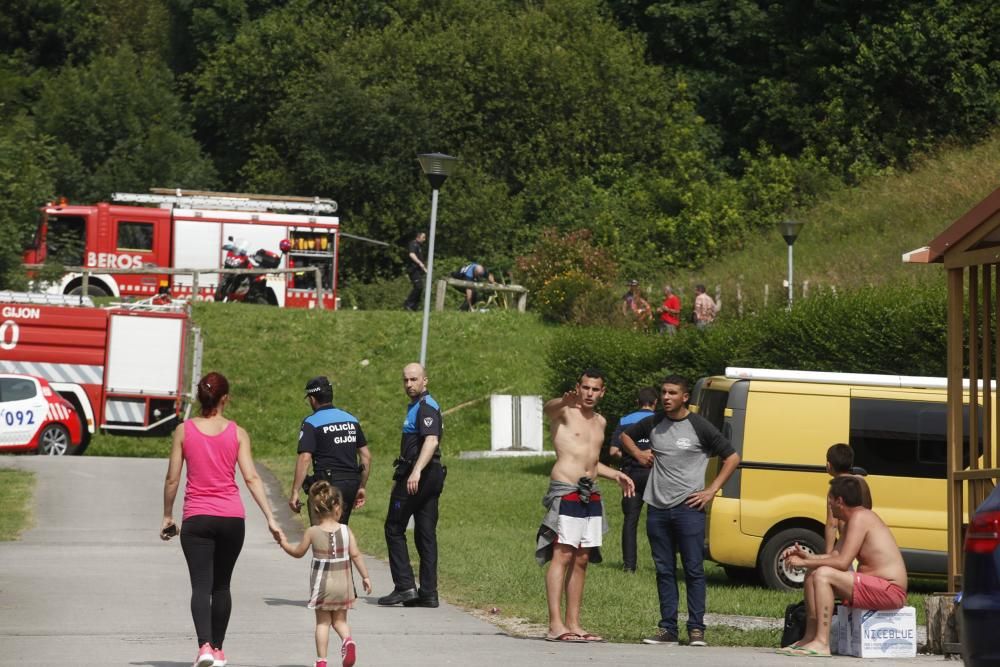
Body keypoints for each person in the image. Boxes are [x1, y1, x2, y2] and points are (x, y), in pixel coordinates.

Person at [161, 372, 283, 667]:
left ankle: (203, 646)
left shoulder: (184, 431)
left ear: (200, 398)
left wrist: (167, 515)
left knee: (201, 586)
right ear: (225, 398)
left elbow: (173, 479)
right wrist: (270, 517)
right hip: (231, 519)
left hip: (197, 518)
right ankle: (217, 650)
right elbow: (252, 478)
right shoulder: (238, 433)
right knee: (222, 586)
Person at [620, 375, 740, 647]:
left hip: (688, 508)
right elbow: (625, 437)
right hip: (657, 509)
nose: (666, 397)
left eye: (672, 393)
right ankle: (668, 629)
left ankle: (696, 629)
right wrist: (639, 455)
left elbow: (732, 457)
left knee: (694, 569)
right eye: (663, 392)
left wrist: (711, 491)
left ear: (685, 397)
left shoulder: (699, 426)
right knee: (664, 570)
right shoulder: (654, 422)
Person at [536, 368, 635, 643]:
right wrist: (562, 401)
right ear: (578, 387)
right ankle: (555, 624)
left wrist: (615, 473)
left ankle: (574, 623)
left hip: (591, 493)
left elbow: (591, 462)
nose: (589, 393)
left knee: (581, 560)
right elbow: (547, 408)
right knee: (562, 555)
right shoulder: (565, 412)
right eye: (586, 388)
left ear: (602, 392)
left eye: (595, 389)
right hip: (567, 491)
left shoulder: (601, 422)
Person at [780, 476, 907, 658]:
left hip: (890, 590)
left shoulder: (861, 518)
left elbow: (842, 563)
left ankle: (823, 643)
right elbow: (834, 556)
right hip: (873, 585)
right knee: (813, 572)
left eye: (830, 500)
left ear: (839, 501)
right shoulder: (853, 521)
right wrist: (806, 557)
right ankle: (810, 637)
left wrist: (805, 562)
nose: (829, 505)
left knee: (823, 574)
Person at [279, 480, 372, 667]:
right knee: (340, 621)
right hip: (343, 584)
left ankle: (321, 661)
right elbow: (355, 554)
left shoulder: (312, 532)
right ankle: (348, 640)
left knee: (323, 624)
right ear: (338, 508)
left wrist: (283, 543)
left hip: (323, 585)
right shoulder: (346, 530)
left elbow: (298, 553)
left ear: (315, 510)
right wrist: (365, 576)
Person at [378, 363, 446, 608]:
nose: (409, 385)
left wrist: (415, 471)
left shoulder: (426, 406)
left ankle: (405, 587)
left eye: (414, 379)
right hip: (430, 474)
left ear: (425, 380)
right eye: (405, 380)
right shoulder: (420, 406)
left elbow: (431, 440)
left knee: (394, 527)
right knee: (425, 533)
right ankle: (428, 592)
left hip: (419, 475)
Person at [289, 376, 371, 526]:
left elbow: (305, 458)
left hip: (328, 486)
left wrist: (295, 491)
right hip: (351, 484)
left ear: (312, 399)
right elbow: (366, 456)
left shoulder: (311, 422)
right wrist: (361, 487)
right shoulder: (351, 420)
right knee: (341, 530)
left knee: (322, 534)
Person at [607, 386, 658, 573]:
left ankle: (629, 566)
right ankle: (660, 564)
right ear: (655, 403)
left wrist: (629, 456)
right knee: (657, 521)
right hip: (655, 476)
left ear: (637, 403)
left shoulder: (624, 420)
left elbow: (613, 451)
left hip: (631, 477)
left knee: (630, 520)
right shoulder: (661, 421)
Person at [823, 443, 873, 554]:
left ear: (828, 465)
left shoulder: (835, 488)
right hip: (865, 542)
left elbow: (832, 524)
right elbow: (869, 508)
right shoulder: (862, 482)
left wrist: (828, 553)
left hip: (848, 543)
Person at [402, 231, 427, 311]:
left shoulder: (419, 246)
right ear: (418, 237)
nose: (424, 239)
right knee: (418, 287)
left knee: (420, 288)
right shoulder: (413, 244)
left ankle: (413, 307)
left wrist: (425, 269)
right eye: (423, 237)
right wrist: (419, 263)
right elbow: (411, 254)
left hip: (418, 270)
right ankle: (408, 304)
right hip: (413, 270)